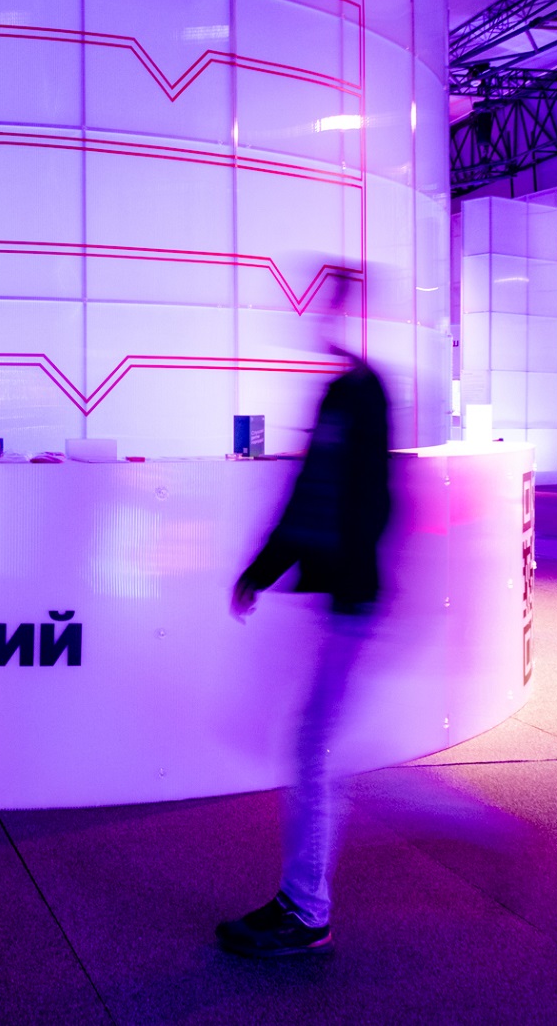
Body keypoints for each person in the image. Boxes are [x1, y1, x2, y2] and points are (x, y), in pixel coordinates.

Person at [217, 269, 392, 958]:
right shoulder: (342, 393)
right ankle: (302, 900)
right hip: (343, 594)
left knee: (314, 745)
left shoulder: (362, 393)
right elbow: (311, 493)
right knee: (321, 745)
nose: (319, 317)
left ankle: (305, 909)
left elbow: (363, 497)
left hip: (352, 596)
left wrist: (275, 572)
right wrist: (262, 571)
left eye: (331, 304)